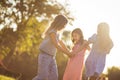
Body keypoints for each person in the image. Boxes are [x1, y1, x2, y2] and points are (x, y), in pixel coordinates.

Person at [32, 15, 73, 80]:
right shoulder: (52, 32)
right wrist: (67, 54)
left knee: (54, 77)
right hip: (44, 56)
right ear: (59, 23)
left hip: (52, 57)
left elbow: (61, 43)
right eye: (63, 25)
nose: (64, 27)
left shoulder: (57, 33)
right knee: (42, 77)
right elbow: (56, 45)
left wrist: (69, 51)